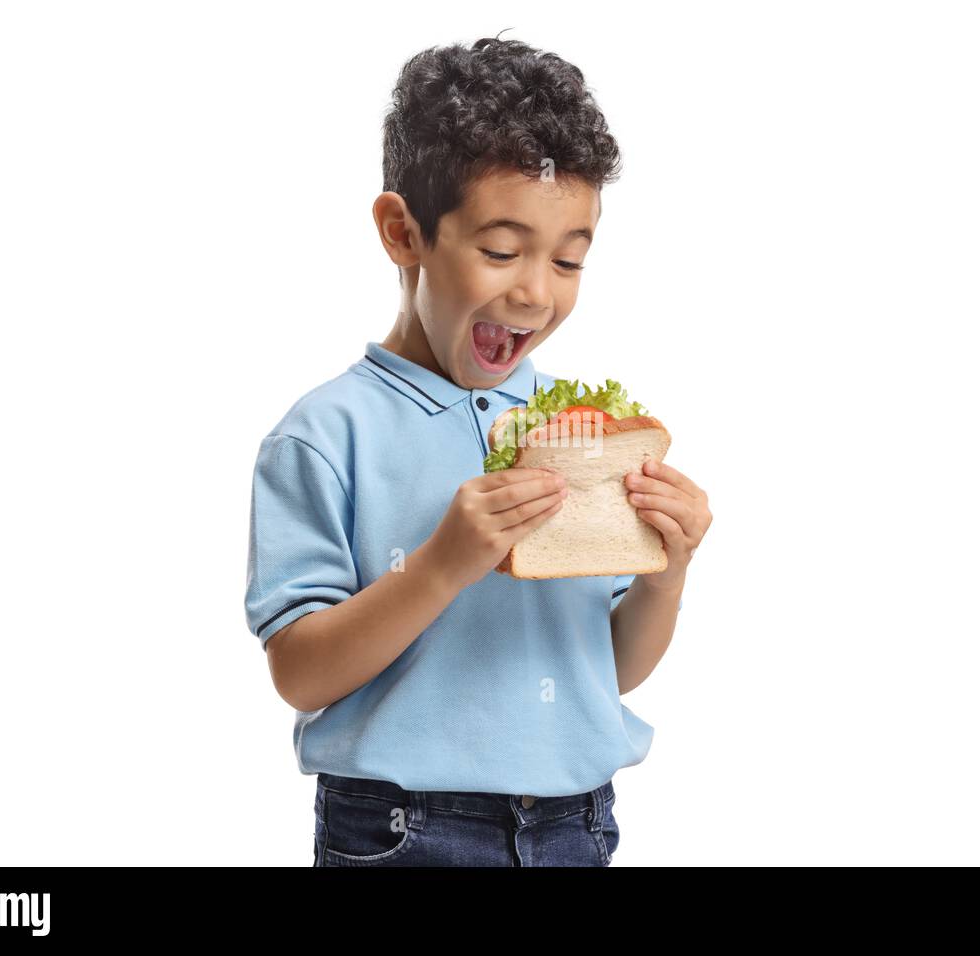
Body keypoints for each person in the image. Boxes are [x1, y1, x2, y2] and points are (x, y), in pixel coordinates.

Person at [244, 33, 713, 867]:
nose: (536, 289)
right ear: (403, 232)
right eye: (501, 251)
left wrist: (665, 572)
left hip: (577, 824)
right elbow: (300, 674)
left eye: (568, 258)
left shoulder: (574, 433)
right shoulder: (324, 436)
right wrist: (440, 567)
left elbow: (612, 671)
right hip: (401, 832)